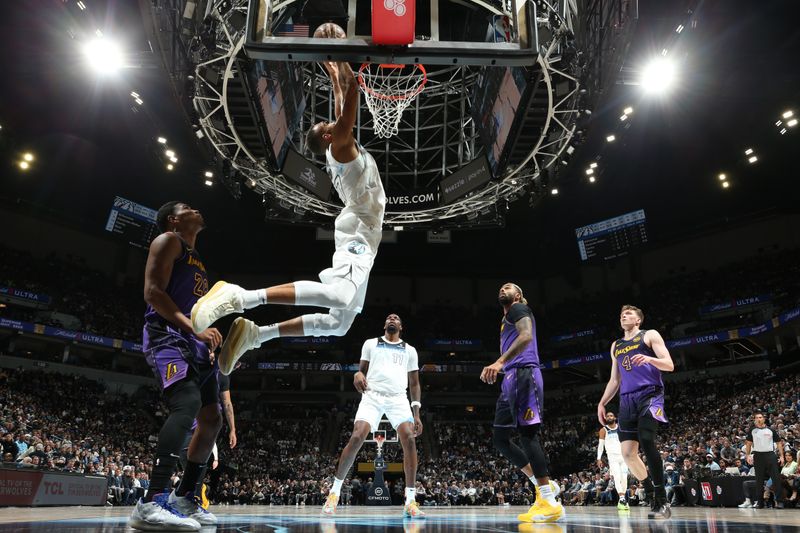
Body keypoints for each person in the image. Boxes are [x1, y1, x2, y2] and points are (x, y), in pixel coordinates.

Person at [189, 23, 386, 376]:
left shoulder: (338, 146)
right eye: (330, 123)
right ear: (328, 135)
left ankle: (258, 334)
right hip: (359, 229)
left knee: (339, 324)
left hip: (361, 228)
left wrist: (333, 65)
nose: (334, 121)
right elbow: (352, 91)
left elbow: (343, 98)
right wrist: (340, 55)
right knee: (341, 298)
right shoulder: (340, 147)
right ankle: (243, 297)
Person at [129, 201, 222, 531]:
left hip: (193, 340)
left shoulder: (197, 258)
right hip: (166, 334)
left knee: (212, 418)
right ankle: (151, 500)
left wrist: (207, 335)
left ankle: (185, 497)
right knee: (187, 403)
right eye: (188, 207)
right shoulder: (168, 240)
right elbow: (153, 293)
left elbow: (195, 309)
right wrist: (192, 328)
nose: (197, 209)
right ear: (173, 219)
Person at [321, 314, 424, 518]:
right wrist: (357, 375)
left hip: (398, 398)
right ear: (385, 325)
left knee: (410, 440)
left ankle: (410, 501)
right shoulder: (370, 343)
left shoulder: (410, 350)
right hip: (372, 396)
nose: (392, 319)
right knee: (357, 436)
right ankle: (334, 493)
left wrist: (417, 413)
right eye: (388, 318)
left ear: (401, 326)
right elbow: (361, 372)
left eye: (396, 318)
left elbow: (414, 383)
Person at [480, 283, 563, 523]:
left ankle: (548, 501)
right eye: (500, 287)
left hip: (524, 373)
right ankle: (543, 487)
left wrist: (499, 362)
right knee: (500, 438)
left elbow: (526, 336)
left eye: (508, 287)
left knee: (528, 435)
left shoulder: (517, 309)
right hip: (511, 378)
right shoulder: (506, 317)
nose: (502, 289)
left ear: (517, 295)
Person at [597, 305, 674, 519]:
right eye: (622, 314)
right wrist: (602, 403)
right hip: (626, 399)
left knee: (647, 440)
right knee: (628, 454)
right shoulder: (616, 345)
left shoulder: (649, 335)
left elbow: (669, 364)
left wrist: (650, 359)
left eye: (629, 314)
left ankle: (662, 500)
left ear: (638, 320)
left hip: (650, 394)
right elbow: (615, 380)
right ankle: (651, 493)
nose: (624, 316)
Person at [745, 412, 785, 508]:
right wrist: (747, 455)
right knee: (759, 480)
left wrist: (782, 456)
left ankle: (779, 501)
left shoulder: (771, 430)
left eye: (760, 417)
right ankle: (760, 502)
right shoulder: (752, 430)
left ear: (764, 419)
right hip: (758, 456)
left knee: (776, 478)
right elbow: (748, 444)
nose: (758, 419)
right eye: (756, 418)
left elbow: (779, 443)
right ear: (754, 420)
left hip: (770, 455)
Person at [597, 410, 630, 510]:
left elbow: (627, 440)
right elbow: (600, 446)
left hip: (623, 456)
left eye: (611, 416)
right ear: (606, 419)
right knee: (617, 477)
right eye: (607, 416)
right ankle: (622, 498)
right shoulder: (603, 430)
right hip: (613, 457)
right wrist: (599, 458)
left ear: (615, 418)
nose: (609, 417)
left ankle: (622, 499)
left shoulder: (621, 427)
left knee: (624, 477)